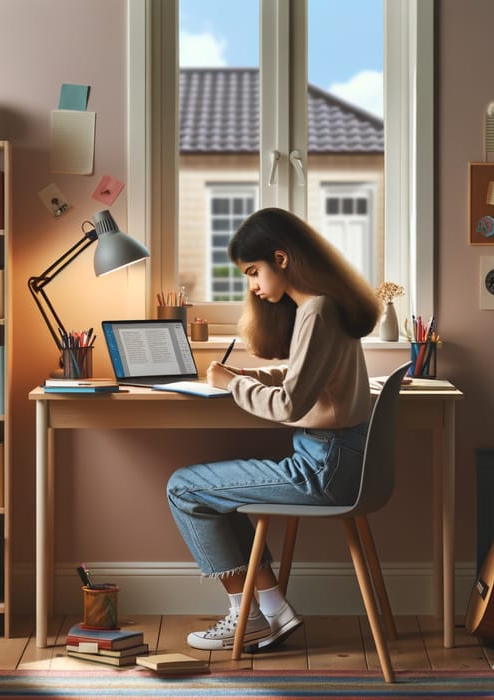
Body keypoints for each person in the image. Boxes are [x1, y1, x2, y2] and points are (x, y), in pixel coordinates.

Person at [166, 207, 381, 652]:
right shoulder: (324, 306)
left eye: (253, 272)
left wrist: (234, 385)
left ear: (281, 258)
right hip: (336, 460)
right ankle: (271, 609)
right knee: (213, 494)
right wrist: (246, 377)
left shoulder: (317, 312)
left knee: (184, 488)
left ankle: (247, 613)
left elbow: (290, 404)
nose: (253, 286)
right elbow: (305, 377)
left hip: (323, 468)